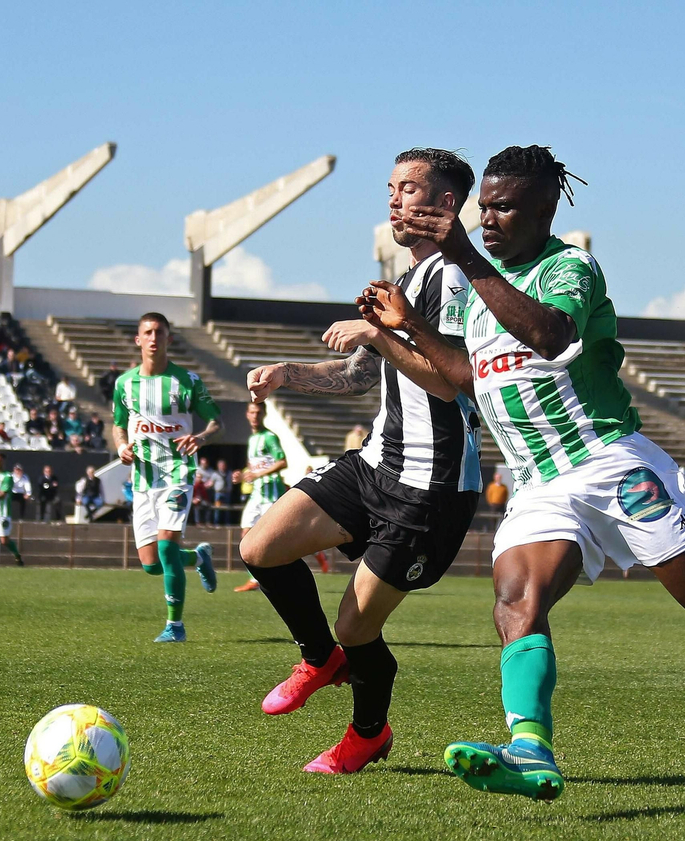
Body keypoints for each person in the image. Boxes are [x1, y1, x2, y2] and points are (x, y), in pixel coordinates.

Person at [361, 144, 685, 799]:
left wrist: (466, 257)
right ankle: (530, 748)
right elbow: (466, 377)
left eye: (505, 208)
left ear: (545, 210)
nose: (489, 219)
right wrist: (405, 328)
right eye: (485, 207)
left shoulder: (570, 267)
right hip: (538, 482)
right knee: (515, 601)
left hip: (608, 461)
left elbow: (550, 336)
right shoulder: (475, 290)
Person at [240, 149, 483, 774]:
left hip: (430, 486)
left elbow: (449, 382)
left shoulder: (456, 279)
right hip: (375, 462)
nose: (394, 200)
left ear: (446, 204)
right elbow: (357, 376)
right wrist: (287, 373)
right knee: (261, 547)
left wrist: (376, 333)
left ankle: (368, 734)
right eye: (391, 188)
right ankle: (319, 659)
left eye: (409, 189)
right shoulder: (407, 280)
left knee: (357, 627)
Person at [111, 312, 221, 643]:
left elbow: (216, 421)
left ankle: (175, 626)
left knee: (166, 547)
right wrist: (121, 447)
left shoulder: (187, 381)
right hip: (143, 479)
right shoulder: (124, 384)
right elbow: (118, 424)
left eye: (159, 332)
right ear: (138, 339)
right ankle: (198, 556)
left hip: (178, 473)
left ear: (169, 339)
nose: (153, 337)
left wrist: (201, 437)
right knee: (151, 564)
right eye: (147, 332)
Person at [233, 401, 290, 593]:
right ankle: (254, 579)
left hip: (271, 495)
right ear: (247, 415)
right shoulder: (252, 439)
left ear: (264, 414)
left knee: (270, 539)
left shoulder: (269, 437)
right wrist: (242, 475)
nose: (255, 416)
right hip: (256, 494)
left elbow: (282, 462)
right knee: (246, 536)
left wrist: (258, 474)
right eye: (252, 412)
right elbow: (255, 466)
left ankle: (279, 576)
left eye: (258, 412)